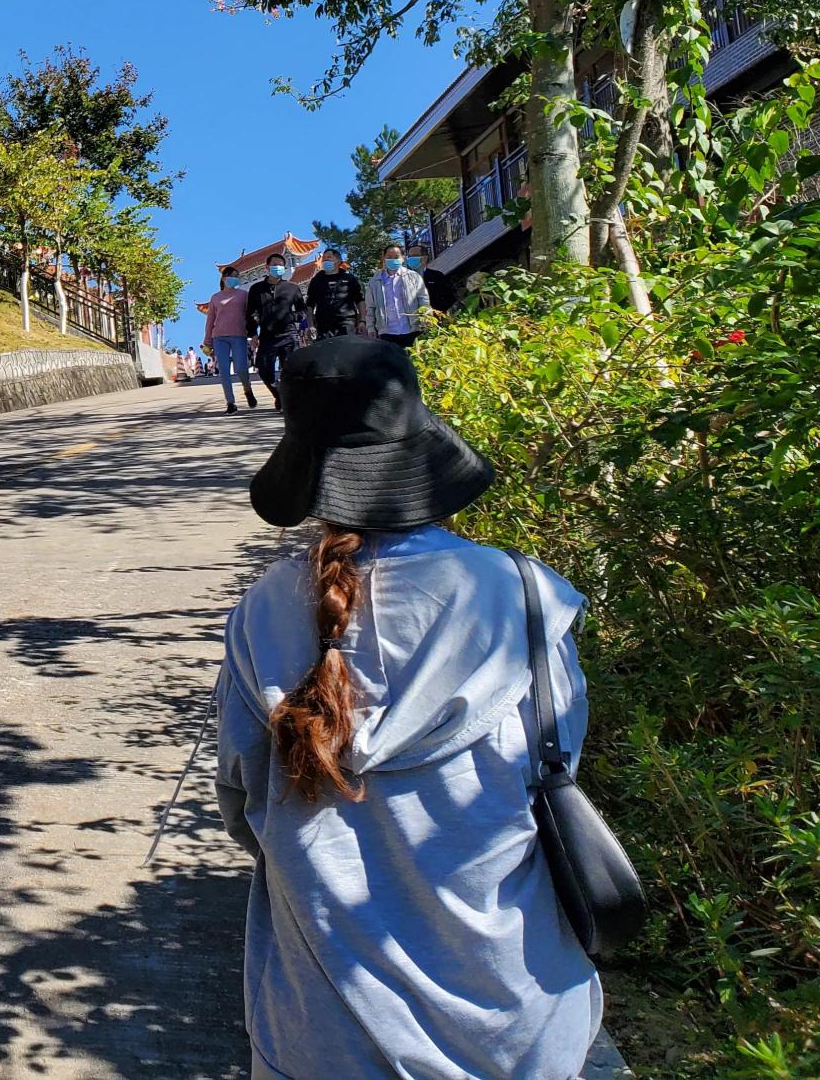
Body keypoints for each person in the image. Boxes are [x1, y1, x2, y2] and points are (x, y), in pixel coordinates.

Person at [217, 337, 602, 1079]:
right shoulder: (520, 597)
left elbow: (244, 804)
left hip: (321, 1025)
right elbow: (558, 761)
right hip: (518, 1019)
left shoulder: (261, 613)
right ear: (420, 443)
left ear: (304, 466)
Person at [246, 252, 307, 408]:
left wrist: (291, 317)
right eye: (274, 265)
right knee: (263, 368)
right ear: (267, 267)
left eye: (281, 265)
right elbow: (250, 313)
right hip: (267, 335)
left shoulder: (292, 288)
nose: (278, 268)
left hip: (288, 334)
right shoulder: (256, 289)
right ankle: (277, 393)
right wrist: (252, 333)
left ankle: (289, 400)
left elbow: (302, 311)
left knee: (291, 369)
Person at [202, 268, 259, 414]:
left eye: (237, 276)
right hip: (219, 337)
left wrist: (253, 334)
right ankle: (230, 402)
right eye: (232, 276)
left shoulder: (244, 295)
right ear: (223, 278)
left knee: (241, 368)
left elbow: (251, 316)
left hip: (239, 335)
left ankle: (247, 389)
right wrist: (207, 341)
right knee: (224, 371)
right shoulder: (215, 298)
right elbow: (210, 321)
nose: (235, 278)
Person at [366, 243, 431, 347]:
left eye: (396, 257)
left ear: (402, 258)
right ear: (384, 259)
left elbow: (423, 300)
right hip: (387, 333)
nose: (392, 260)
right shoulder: (374, 282)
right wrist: (370, 327)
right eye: (389, 257)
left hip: (412, 330)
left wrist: (427, 318)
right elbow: (370, 307)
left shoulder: (414, 277)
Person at [304, 245, 362, 339]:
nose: (325, 260)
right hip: (324, 326)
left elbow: (360, 301)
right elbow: (310, 305)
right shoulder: (316, 280)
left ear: (338, 260)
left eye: (329, 257)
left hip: (347, 324)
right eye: (324, 258)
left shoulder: (349, 279)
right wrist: (311, 325)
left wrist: (362, 321)